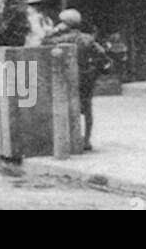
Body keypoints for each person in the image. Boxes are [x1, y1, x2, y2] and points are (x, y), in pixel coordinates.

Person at [42, 9, 112, 151]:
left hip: (66, 79)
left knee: (64, 107)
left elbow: (43, 42)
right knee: (87, 108)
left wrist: (54, 31)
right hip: (86, 77)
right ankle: (86, 140)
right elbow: (102, 56)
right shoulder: (87, 39)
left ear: (65, 24)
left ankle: (67, 139)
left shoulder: (58, 40)